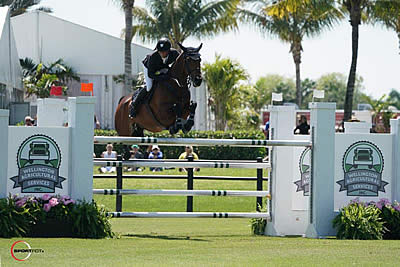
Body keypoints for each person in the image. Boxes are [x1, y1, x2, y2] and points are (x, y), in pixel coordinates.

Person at [129, 38, 180, 118]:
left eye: (165, 51)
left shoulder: (174, 54)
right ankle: (134, 106)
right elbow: (151, 75)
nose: (162, 53)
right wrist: (162, 77)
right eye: (160, 51)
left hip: (163, 67)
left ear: (169, 50)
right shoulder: (153, 57)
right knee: (149, 87)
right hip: (149, 68)